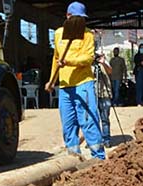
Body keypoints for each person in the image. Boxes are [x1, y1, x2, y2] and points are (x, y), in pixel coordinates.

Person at [45, 2, 105, 160]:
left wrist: (69, 61)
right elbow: (56, 58)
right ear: (68, 17)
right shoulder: (58, 34)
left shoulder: (88, 35)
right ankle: (73, 160)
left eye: (82, 19)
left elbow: (87, 58)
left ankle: (99, 158)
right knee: (68, 126)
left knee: (88, 121)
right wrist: (51, 80)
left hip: (83, 84)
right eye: (76, 18)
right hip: (65, 87)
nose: (80, 22)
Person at [93, 51, 112, 147]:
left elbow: (110, 71)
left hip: (104, 93)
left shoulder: (103, 62)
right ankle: (95, 140)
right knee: (93, 118)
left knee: (105, 118)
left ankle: (106, 139)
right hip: (92, 94)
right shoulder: (89, 65)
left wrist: (103, 62)